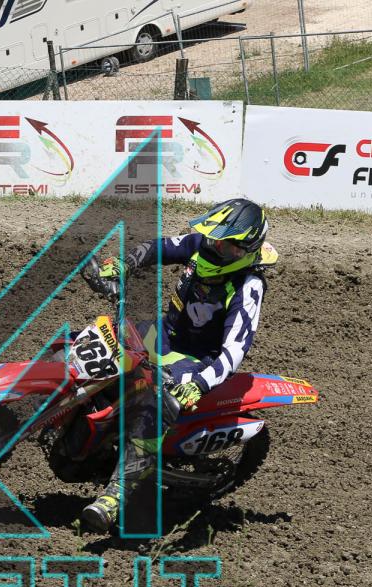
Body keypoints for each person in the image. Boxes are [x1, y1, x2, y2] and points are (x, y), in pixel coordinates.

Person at [78, 197, 274, 533]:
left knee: (157, 403)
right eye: (214, 240)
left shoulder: (248, 286)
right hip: (164, 334)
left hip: (198, 361)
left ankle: (116, 494)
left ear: (246, 250)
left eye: (226, 246)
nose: (215, 248)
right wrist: (124, 264)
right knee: (95, 340)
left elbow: (235, 349)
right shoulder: (203, 245)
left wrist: (199, 383)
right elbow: (160, 247)